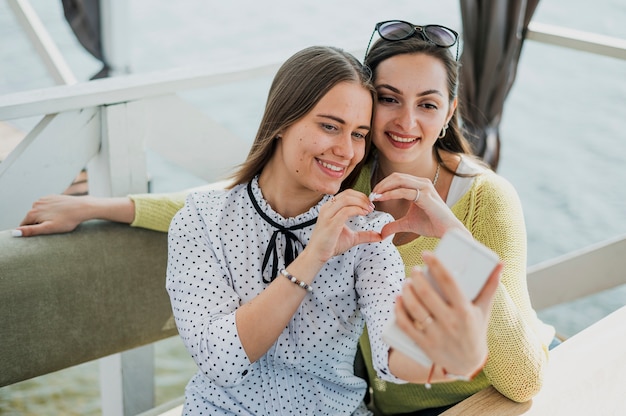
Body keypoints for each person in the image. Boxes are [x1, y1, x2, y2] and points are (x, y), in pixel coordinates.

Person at [14, 21, 552, 414]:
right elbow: (215, 211)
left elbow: (416, 358)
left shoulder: (395, 224)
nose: (402, 122)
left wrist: (445, 354)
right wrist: (96, 205)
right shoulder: (342, 192)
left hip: (465, 401)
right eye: (387, 100)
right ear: (282, 119)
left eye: (428, 104)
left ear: (450, 112)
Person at [164, 45, 498, 414]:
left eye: (359, 134)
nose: (345, 150)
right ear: (281, 121)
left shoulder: (367, 232)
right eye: (329, 126)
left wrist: (453, 358)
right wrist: (312, 257)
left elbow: (395, 357)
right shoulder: (201, 220)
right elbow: (220, 361)